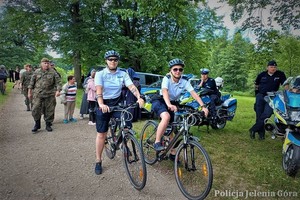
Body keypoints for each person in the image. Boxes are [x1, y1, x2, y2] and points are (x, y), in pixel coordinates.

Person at [94, 50, 144, 175]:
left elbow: (131, 87)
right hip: (104, 103)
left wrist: (139, 97)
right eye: (110, 59)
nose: (113, 62)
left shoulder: (122, 73)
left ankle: (123, 143)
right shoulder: (100, 74)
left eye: (115, 60)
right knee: (102, 134)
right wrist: (101, 104)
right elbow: (98, 91)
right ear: (106, 61)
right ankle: (98, 160)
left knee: (126, 124)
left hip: (117, 103)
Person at [151, 58, 209, 162]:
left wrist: (203, 106)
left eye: (180, 69)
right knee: (166, 117)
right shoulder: (167, 78)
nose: (178, 71)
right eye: (175, 69)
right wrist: (168, 104)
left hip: (173, 102)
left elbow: (194, 93)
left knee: (172, 129)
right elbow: (164, 91)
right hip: (160, 100)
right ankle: (157, 141)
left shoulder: (184, 80)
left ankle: (173, 154)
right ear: (171, 70)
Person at [249, 60, 286, 140]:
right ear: (267, 67)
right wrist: (257, 95)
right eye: (271, 67)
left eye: (275, 67)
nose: (273, 68)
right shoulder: (262, 75)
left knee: (267, 114)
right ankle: (261, 135)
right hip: (261, 96)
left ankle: (253, 129)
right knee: (259, 115)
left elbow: (285, 85)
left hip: (271, 97)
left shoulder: (280, 74)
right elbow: (256, 85)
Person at [28, 58, 61, 132]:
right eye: (44, 63)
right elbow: (31, 83)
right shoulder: (36, 72)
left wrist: (58, 91)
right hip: (38, 94)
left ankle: (48, 124)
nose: (46, 64)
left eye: (47, 63)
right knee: (35, 109)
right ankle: (37, 123)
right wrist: (29, 92)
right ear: (41, 64)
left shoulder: (53, 72)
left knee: (49, 110)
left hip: (49, 94)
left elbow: (58, 82)